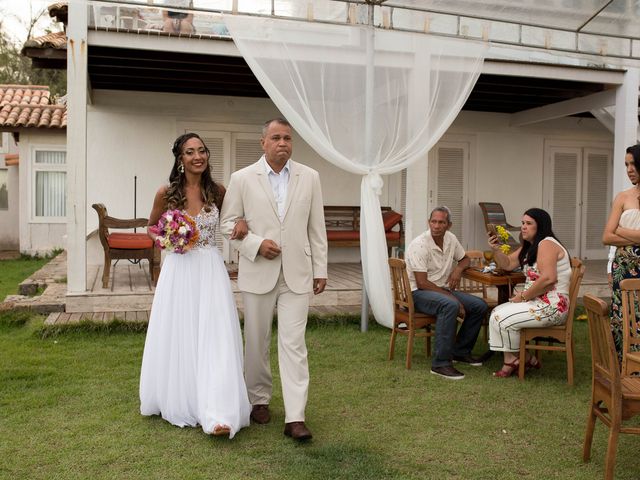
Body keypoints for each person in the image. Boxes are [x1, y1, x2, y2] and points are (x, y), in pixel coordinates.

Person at [220, 118, 328, 441]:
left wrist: (320, 269)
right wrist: (255, 244)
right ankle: (259, 400)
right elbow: (227, 224)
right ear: (263, 142)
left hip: (297, 274)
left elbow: (316, 229)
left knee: (294, 344)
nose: (283, 143)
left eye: (288, 139)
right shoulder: (242, 179)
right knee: (256, 340)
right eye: (276, 138)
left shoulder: (310, 178)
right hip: (257, 272)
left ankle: (295, 417)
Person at [139, 133, 250, 438]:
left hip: (210, 269)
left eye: (202, 150)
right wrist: (168, 238)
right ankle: (181, 397)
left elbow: (236, 219)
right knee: (181, 333)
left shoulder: (218, 191)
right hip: (178, 269)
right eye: (190, 152)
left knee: (214, 336)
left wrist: (242, 223)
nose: (198, 156)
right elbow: (151, 227)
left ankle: (217, 410)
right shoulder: (166, 193)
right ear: (180, 159)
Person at [405, 206, 488, 380]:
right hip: (418, 293)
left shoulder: (451, 239)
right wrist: (450, 296)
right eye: (433, 221)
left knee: (480, 306)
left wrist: (458, 270)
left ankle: (460, 351)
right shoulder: (419, 244)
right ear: (429, 223)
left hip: (442, 289)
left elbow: (465, 258)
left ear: (448, 225)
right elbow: (421, 282)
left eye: (441, 222)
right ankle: (440, 364)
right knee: (449, 305)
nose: (436, 226)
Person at [487, 207, 571, 378]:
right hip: (537, 301)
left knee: (500, 317)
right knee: (496, 312)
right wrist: (496, 249)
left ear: (540, 226)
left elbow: (548, 279)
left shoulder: (546, 244)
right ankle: (518, 359)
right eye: (522, 223)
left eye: (529, 223)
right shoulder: (531, 246)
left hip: (552, 306)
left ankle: (514, 360)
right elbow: (508, 264)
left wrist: (523, 297)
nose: (523, 227)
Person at [603, 143, 640, 359]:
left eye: (633, 163)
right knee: (623, 317)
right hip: (623, 268)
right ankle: (622, 369)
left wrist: (621, 229)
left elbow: (614, 230)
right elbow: (607, 236)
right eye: (626, 164)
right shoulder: (622, 197)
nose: (629, 169)